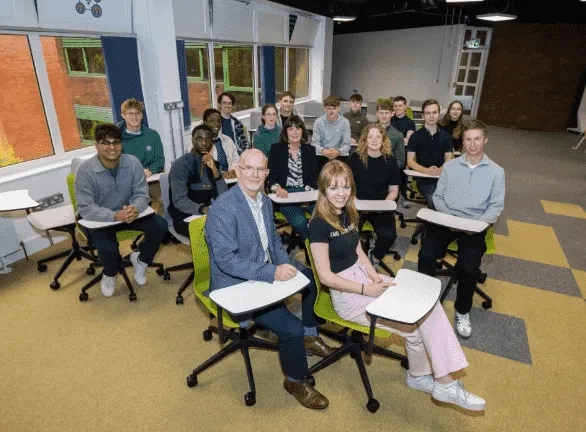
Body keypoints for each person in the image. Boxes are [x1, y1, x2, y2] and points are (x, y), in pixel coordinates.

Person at [308, 160, 486, 412]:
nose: (342, 193)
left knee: (424, 308)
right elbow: (325, 276)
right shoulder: (318, 224)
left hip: (363, 279)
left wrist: (374, 276)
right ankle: (442, 382)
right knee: (414, 321)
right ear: (323, 189)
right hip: (347, 295)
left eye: (346, 186)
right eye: (335, 188)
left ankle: (424, 377)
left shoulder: (347, 211)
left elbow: (357, 249)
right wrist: (364, 289)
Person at [205, 149, 334, 410]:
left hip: (263, 269)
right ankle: (295, 381)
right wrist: (271, 272)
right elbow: (226, 261)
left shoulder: (264, 201)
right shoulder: (223, 208)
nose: (254, 174)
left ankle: (309, 335)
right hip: (235, 283)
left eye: (260, 169)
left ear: (266, 173)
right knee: (290, 329)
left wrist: (285, 263)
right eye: (248, 168)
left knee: (311, 279)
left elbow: (272, 241)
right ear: (238, 170)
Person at [418, 120, 505, 339]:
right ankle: (424, 303)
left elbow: (496, 206)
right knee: (426, 254)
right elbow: (437, 196)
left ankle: (462, 310)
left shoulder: (496, 172)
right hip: (447, 218)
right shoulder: (450, 166)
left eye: (477, 139)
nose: (472, 144)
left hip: (474, 225)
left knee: (468, 267)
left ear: (484, 139)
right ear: (462, 141)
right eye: (468, 139)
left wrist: (477, 225)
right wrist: (449, 216)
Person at [75, 124, 168, 297]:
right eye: (105, 143)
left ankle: (141, 260)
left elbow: (142, 194)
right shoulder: (85, 171)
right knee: (108, 249)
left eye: (116, 142)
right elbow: (86, 207)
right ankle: (109, 274)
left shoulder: (132, 162)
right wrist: (114, 215)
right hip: (100, 218)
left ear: (121, 144)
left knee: (160, 225)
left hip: (129, 213)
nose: (112, 148)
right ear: (97, 145)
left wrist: (135, 208)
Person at [347, 124, 399, 270]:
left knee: (389, 235)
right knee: (348, 234)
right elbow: (347, 186)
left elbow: (394, 190)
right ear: (365, 139)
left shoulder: (391, 161)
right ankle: (353, 262)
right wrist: (354, 201)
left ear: (383, 140)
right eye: (370, 137)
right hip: (357, 205)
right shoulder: (354, 159)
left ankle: (374, 256)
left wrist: (382, 206)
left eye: (378, 137)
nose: (374, 140)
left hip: (381, 207)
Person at [168, 125, 226, 238]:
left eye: (208, 139)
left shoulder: (214, 164)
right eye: (199, 139)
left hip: (208, 214)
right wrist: (203, 209)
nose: (204, 143)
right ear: (193, 141)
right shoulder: (181, 165)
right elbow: (179, 200)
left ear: (212, 142)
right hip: (185, 215)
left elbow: (223, 195)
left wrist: (215, 171)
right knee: (216, 235)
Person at [268, 116, 317, 242]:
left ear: (302, 131)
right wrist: (277, 188)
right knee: (300, 222)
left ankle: (323, 247)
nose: (295, 132)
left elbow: (313, 177)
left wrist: (306, 195)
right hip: (286, 194)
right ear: (286, 132)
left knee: (323, 218)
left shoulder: (310, 150)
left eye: (298, 128)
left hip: (306, 193)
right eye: (291, 129)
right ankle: (310, 250)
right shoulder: (276, 149)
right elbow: (271, 175)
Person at [406, 99, 453, 207]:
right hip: (424, 180)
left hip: (443, 178)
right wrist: (427, 171)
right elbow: (410, 161)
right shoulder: (415, 136)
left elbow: (449, 158)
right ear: (423, 115)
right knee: (434, 200)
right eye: (428, 113)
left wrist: (439, 170)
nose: (431, 116)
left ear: (438, 114)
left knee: (452, 200)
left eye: (434, 112)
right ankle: (432, 223)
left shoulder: (446, 136)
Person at [118, 99, 165, 178]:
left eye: (138, 113)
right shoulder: (117, 137)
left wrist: (150, 170)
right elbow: (116, 163)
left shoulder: (152, 135)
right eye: (130, 113)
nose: (134, 117)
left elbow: (160, 160)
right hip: (128, 179)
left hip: (150, 177)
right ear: (123, 115)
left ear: (142, 115)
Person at [311, 95, 351, 172]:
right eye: (328, 108)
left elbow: (347, 145)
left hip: (339, 155)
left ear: (339, 108)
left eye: (334, 108)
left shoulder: (345, 122)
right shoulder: (318, 122)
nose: (331, 111)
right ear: (324, 108)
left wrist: (338, 152)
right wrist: (323, 151)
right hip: (322, 155)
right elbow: (314, 144)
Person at [202, 108, 239, 176]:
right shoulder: (198, 144)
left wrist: (233, 171)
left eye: (219, 121)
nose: (216, 124)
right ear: (205, 122)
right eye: (212, 121)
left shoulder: (228, 140)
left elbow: (236, 160)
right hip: (211, 183)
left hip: (231, 180)